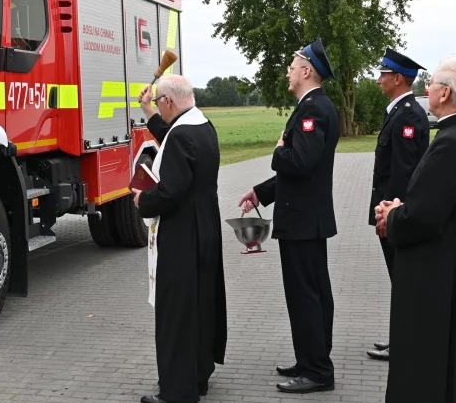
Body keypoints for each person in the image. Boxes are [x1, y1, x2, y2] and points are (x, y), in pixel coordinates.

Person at [374, 55, 456, 403]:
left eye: (433, 83)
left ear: (445, 93)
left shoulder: (451, 143)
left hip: (438, 267)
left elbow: (423, 218)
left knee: (427, 355)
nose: (427, 89)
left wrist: (393, 214)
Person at [238, 38, 339, 394]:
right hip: (305, 218)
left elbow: (299, 163)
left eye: (292, 66)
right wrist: (261, 192)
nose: (287, 72)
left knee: (306, 295)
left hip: (302, 221)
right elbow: (299, 174)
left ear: (307, 71)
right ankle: (310, 358)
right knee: (310, 293)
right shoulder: (314, 106)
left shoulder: (312, 110)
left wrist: (278, 152)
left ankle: (317, 371)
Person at [131, 74, 227, 403]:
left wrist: (144, 201)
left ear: (169, 102)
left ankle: (177, 392)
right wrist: (147, 110)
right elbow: (170, 136)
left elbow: (170, 192)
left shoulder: (182, 135)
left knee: (176, 313)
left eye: (158, 102)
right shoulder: (202, 127)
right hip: (205, 230)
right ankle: (198, 376)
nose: (157, 106)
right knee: (200, 306)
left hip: (182, 234)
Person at [365, 48, 430, 361]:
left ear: (398, 78)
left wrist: (390, 215)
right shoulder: (399, 111)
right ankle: (401, 338)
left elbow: (404, 171)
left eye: (383, 75)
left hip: (395, 213)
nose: (378, 80)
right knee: (400, 278)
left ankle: (406, 342)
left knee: (404, 280)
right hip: (391, 210)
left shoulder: (407, 114)